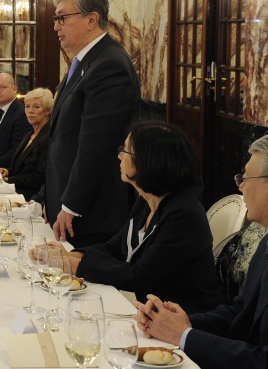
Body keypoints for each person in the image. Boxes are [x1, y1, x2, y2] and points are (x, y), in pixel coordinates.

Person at [134, 132, 268, 369]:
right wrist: (180, 323)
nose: (240, 186)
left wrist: (183, 336)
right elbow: (243, 310)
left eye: (246, 178)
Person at [47, 122, 224, 313]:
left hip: (183, 319)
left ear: (148, 161)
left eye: (125, 151)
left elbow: (138, 277)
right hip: (150, 310)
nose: (119, 156)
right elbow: (114, 248)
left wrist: (76, 266)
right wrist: (68, 255)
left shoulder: (183, 214)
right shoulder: (146, 200)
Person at [45, 0, 141, 247]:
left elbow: (95, 146)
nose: (56, 26)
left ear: (91, 19)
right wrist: (50, 198)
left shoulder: (108, 65)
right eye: (56, 19)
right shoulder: (84, 61)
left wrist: (71, 206)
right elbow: (62, 137)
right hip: (70, 204)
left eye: (62, 18)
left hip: (91, 213)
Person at [0, 87, 52, 201]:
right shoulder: (29, 134)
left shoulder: (48, 137)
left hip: (31, 197)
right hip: (16, 190)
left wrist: (7, 180)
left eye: (36, 107)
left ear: (47, 111)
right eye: (27, 106)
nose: (30, 111)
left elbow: (40, 177)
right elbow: (20, 167)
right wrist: (6, 171)